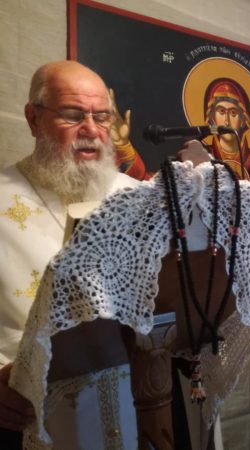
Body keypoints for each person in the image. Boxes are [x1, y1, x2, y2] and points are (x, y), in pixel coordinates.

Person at [0, 60, 141, 449]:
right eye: (73, 115)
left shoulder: (137, 198)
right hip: (29, 417)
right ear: (33, 119)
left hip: (131, 412)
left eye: (102, 117)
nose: (92, 130)